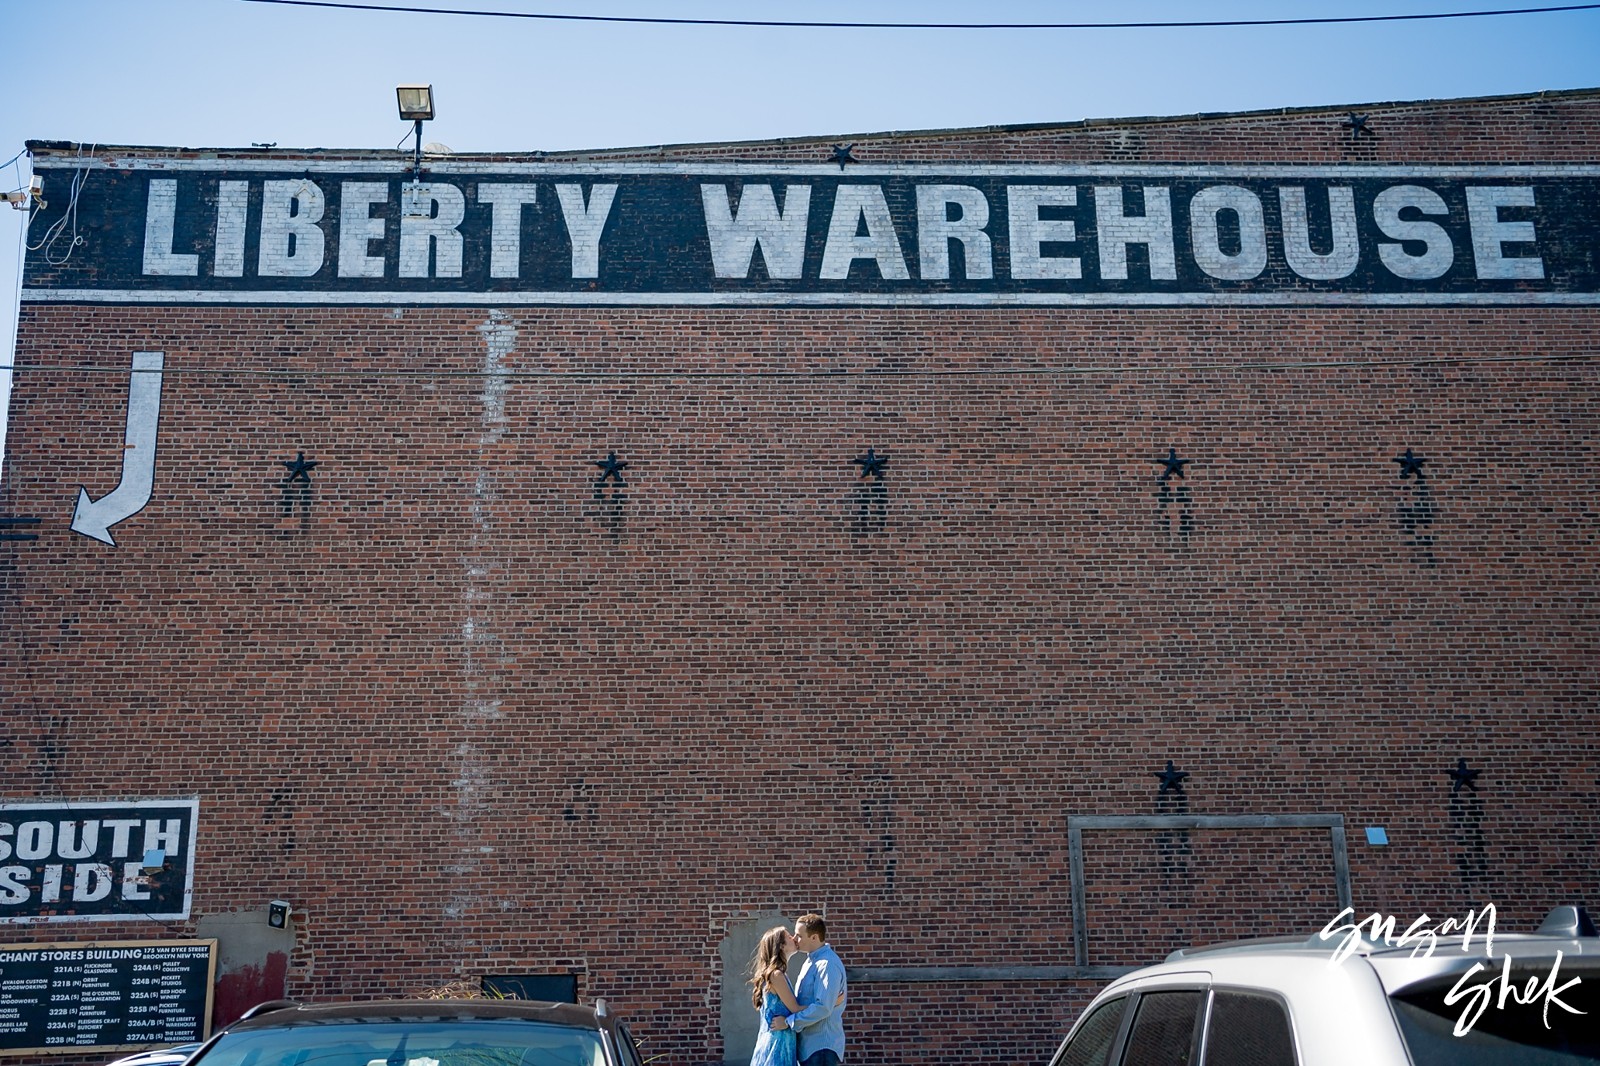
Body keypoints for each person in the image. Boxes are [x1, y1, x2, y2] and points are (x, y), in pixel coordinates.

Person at [770, 913, 847, 1066]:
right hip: (809, 1047)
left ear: (814, 938)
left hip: (821, 1047)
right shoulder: (810, 961)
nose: (794, 939)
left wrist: (788, 1022)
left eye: (799, 935)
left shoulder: (827, 964)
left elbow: (823, 1007)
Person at [747, 926, 803, 1066]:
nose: (794, 938)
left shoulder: (779, 974)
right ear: (782, 946)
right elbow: (796, 1009)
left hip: (781, 1042)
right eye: (790, 937)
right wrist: (828, 1004)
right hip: (777, 1045)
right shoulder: (776, 975)